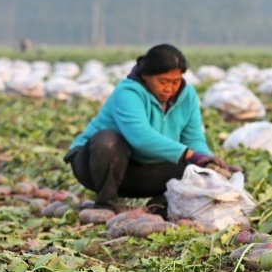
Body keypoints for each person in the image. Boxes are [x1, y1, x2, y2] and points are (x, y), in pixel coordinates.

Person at [64, 44, 230, 214]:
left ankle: (158, 207)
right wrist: (190, 154)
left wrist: (209, 164)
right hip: (95, 166)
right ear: (145, 75)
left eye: (175, 81)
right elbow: (140, 137)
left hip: (142, 172)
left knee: (196, 173)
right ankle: (105, 206)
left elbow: (193, 139)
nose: (169, 88)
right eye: (163, 81)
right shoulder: (127, 92)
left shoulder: (187, 96)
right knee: (107, 140)